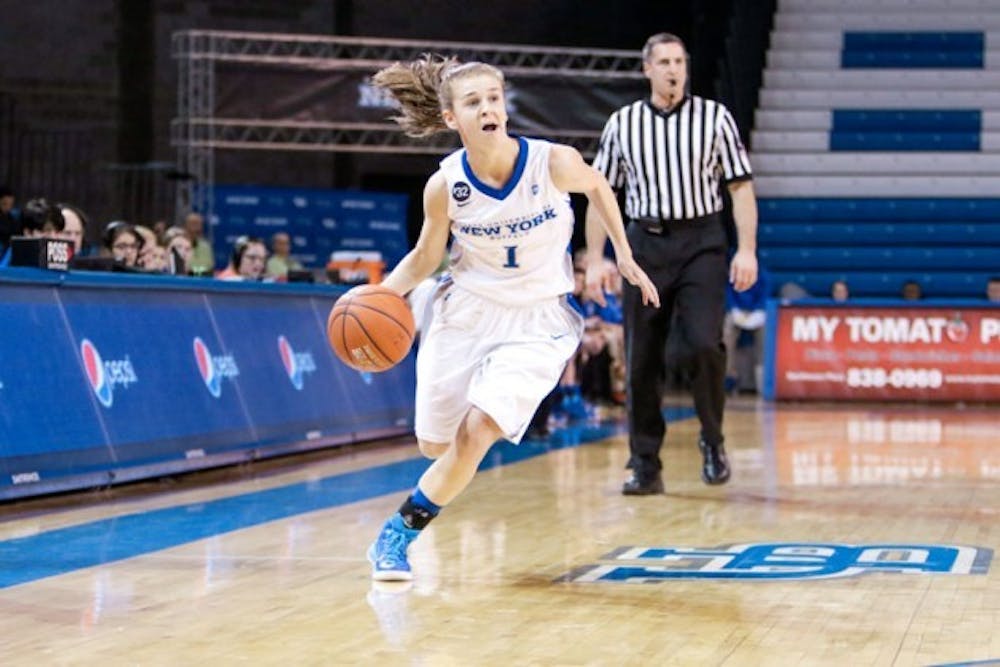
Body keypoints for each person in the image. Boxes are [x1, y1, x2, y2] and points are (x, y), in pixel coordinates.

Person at [364, 54, 659, 581]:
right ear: (452, 118)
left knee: (477, 433)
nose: (488, 108)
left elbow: (598, 187)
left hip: (536, 321)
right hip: (467, 313)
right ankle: (430, 483)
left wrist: (623, 253)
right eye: (473, 102)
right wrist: (382, 294)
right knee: (436, 445)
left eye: (494, 98)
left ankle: (398, 533)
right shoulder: (445, 185)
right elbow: (427, 255)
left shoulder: (552, 162)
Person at [585, 32, 759, 495]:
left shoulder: (715, 118)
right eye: (663, 61)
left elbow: (740, 186)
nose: (673, 69)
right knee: (642, 356)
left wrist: (747, 249)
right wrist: (599, 256)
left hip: (702, 239)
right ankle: (645, 462)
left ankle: (713, 439)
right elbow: (602, 193)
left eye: (679, 61)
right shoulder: (622, 124)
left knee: (704, 343)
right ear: (647, 69)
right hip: (644, 242)